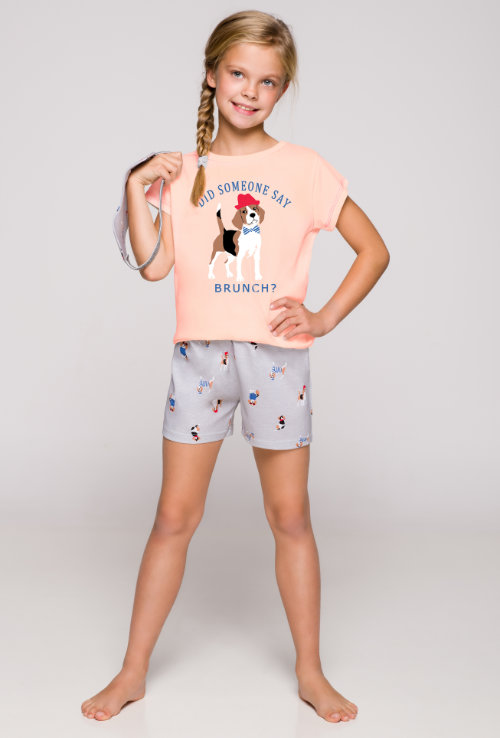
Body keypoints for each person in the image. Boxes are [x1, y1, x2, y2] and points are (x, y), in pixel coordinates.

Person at [82, 9, 390, 724]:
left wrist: (323, 317)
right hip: (198, 361)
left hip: (277, 362)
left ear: (282, 90)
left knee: (290, 517)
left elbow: (374, 250)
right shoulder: (184, 172)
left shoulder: (304, 169)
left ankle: (310, 672)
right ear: (212, 75)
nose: (251, 91)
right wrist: (136, 185)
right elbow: (154, 268)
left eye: (268, 81)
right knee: (173, 517)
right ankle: (132, 672)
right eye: (239, 74)